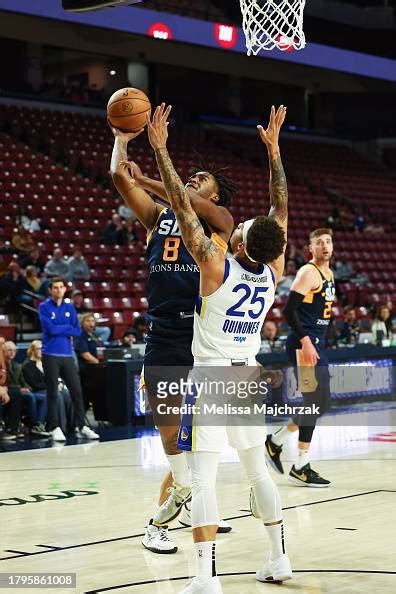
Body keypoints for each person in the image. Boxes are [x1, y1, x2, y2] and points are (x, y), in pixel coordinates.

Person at [146, 103, 291, 592]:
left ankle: (206, 577)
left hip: (208, 377)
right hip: (247, 374)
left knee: (205, 476)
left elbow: (184, 209)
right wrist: (274, 152)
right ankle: (279, 557)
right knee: (257, 472)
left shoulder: (215, 265)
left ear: (239, 244)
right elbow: (281, 211)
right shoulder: (273, 273)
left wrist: (161, 149)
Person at [110, 116, 236, 554]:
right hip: (164, 334)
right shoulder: (158, 217)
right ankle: (189, 501)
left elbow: (192, 206)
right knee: (171, 440)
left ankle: (165, 521)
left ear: (214, 194)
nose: (193, 180)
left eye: (201, 179)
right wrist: (121, 140)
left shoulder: (220, 220)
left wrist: (148, 172)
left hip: (202, 337)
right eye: (192, 177)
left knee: (200, 437)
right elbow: (118, 178)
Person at [266, 228, 336, 487]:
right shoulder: (309, 272)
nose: (325, 246)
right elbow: (288, 310)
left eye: (328, 242)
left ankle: (276, 441)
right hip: (303, 344)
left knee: (321, 404)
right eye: (319, 243)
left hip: (316, 344)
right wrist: (306, 341)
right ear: (311, 248)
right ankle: (301, 464)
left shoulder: (329, 273)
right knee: (314, 403)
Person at [38, 277, 99, 441]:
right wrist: (66, 328)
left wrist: (60, 327)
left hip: (67, 355)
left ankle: (82, 426)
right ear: (50, 290)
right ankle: (54, 427)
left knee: (77, 391)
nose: (58, 290)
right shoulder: (43, 307)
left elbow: (77, 331)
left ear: (65, 289)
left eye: (61, 287)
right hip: (50, 354)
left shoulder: (70, 308)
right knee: (52, 392)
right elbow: (49, 329)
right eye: (55, 288)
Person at [3, 340, 49, 437]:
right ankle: (32, 425)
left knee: (43, 397)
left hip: (19, 390)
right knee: (28, 396)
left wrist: (27, 388)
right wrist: (20, 388)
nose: (12, 353)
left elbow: (23, 382)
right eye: (9, 350)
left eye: (14, 351)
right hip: (10, 391)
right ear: (3, 351)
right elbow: (5, 383)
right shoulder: (4, 365)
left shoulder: (17, 366)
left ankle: (38, 424)